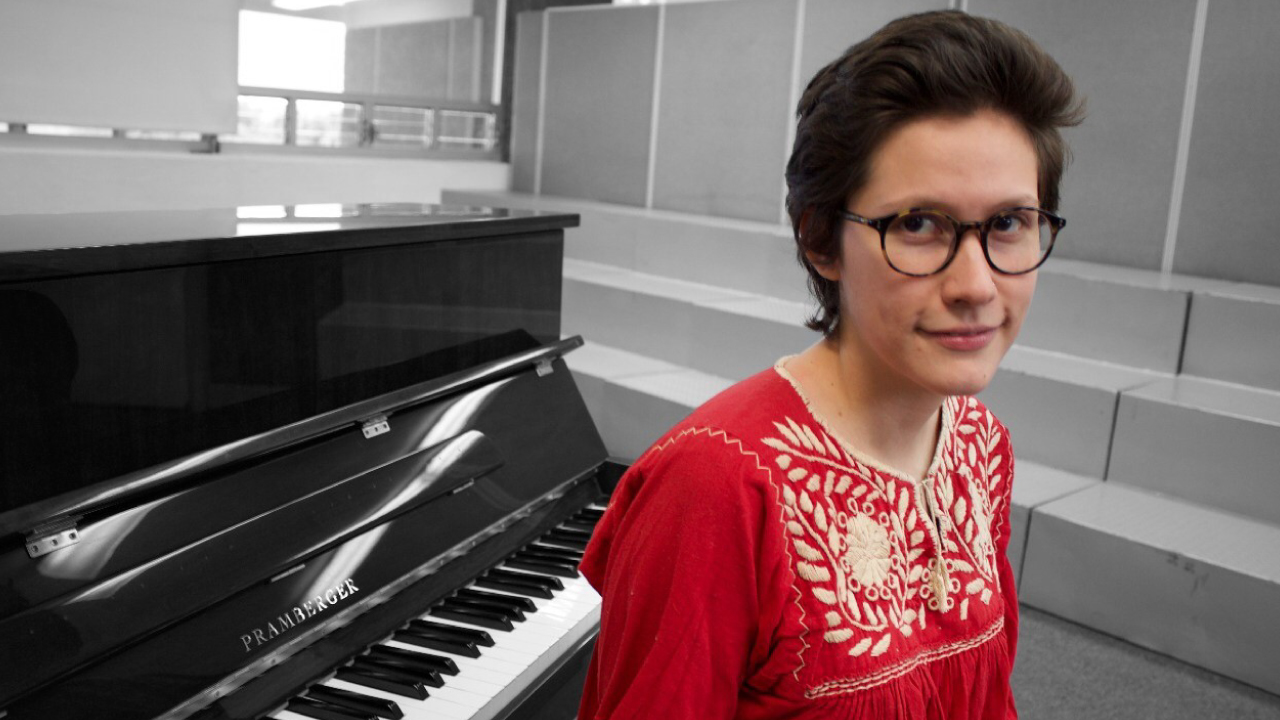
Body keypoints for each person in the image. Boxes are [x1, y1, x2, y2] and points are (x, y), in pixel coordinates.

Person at [577, 10, 1084, 719]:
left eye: (1008, 223)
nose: (976, 285)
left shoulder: (980, 444)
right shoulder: (717, 487)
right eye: (917, 223)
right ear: (821, 240)